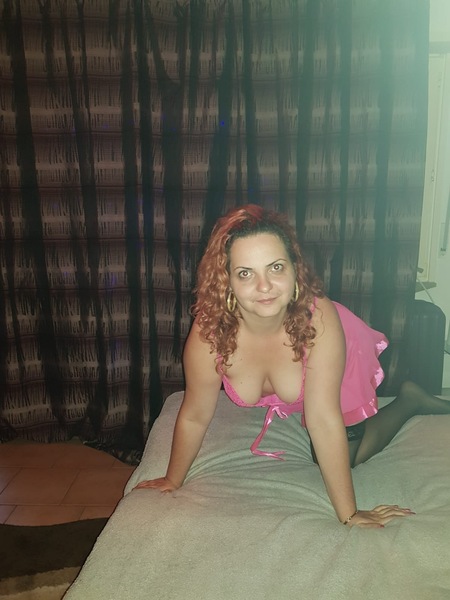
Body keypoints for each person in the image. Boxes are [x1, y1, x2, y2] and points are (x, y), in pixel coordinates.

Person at [135, 204, 450, 528]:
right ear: (226, 281)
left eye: (275, 267)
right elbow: (195, 415)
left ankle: (409, 400)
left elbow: (323, 419)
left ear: (294, 269)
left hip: (335, 348)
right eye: (245, 273)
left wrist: (350, 515)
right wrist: (173, 479)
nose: (265, 286)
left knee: (345, 458)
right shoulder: (210, 333)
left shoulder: (320, 320)